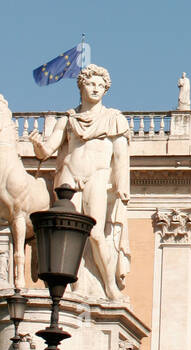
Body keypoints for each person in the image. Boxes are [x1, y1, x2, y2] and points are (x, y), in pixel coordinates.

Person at [31, 62, 131, 302]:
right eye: (91, 84)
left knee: (96, 234)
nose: (95, 89)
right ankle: (74, 287)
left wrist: (121, 186)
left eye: (100, 85)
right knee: (67, 231)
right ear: (81, 86)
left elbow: (120, 156)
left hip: (97, 176)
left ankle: (109, 286)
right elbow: (48, 150)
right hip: (69, 176)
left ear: (106, 90)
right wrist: (37, 146)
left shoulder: (113, 118)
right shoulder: (68, 119)